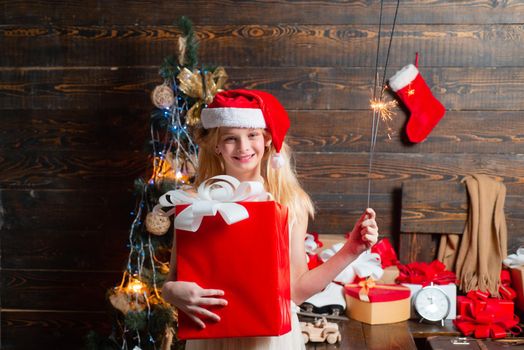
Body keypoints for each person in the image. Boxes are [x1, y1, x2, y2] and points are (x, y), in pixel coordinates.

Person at [161, 89, 379, 350]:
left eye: (252, 135)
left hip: (271, 341)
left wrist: (351, 250)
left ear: (266, 139)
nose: (243, 147)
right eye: (231, 138)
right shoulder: (196, 203)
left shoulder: (288, 202)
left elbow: (296, 291)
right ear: (217, 145)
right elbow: (173, 279)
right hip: (212, 336)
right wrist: (172, 292)